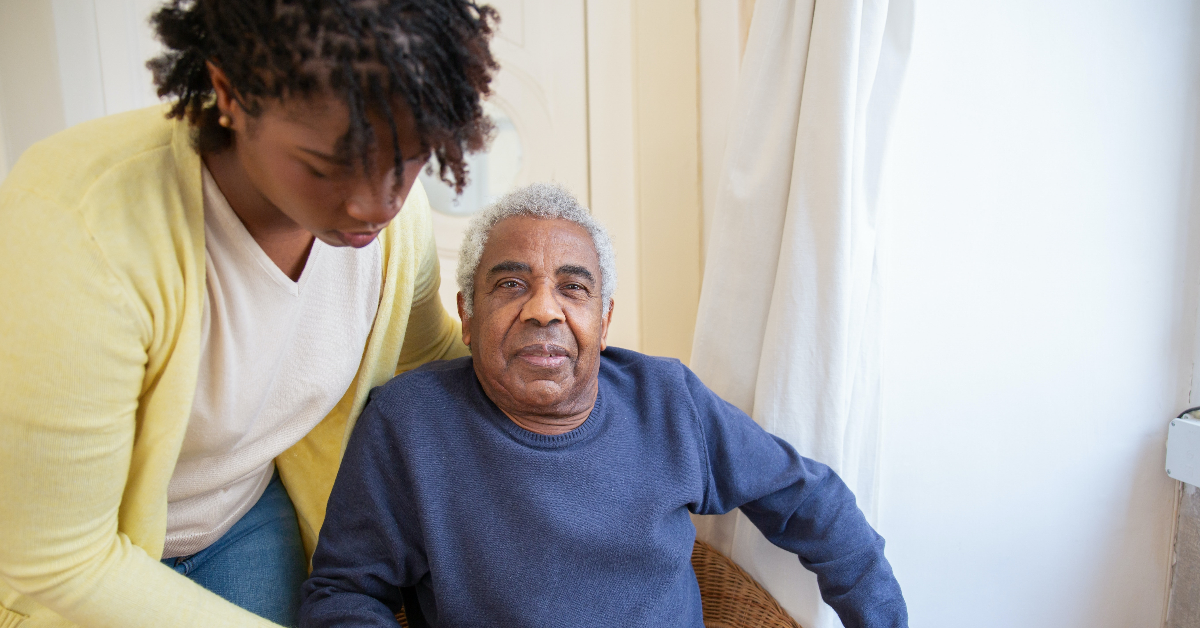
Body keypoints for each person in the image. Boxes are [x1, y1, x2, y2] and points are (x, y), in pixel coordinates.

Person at [0, 1, 500, 627]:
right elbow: (58, 559)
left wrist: (600, 389)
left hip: (243, 518)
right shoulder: (80, 231)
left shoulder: (398, 230)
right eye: (324, 167)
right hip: (68, 570)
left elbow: (426, 355)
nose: (376, 205)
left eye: (407, 161)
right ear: (228, 92)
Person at [299, 183, 909, 628]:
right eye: (511, 284)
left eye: (574, 287)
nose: (543, 309)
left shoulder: (668, 400)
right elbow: (343, 594)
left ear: (604, 318)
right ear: (466, 314)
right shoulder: (408, 422)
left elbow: (813, 502)